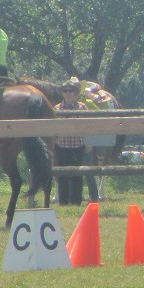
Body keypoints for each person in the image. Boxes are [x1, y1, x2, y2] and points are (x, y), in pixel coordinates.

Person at [53, 78, 88, 206]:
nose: (68, 93)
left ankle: (76, 202)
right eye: (65, 90)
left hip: (77, 145)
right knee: (62, 175)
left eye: (70, 90)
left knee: (77, 175)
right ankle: (63, 202)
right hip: (61, 145)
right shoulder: (56, 108)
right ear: (62, 93)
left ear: (75, 93)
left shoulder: (82, 107)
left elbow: (87, 127)